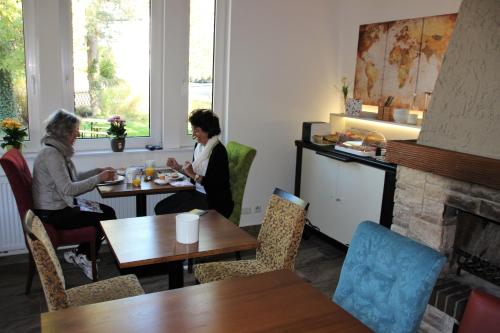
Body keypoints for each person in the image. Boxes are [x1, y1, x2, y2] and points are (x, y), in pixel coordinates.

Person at [32, 109, 117, 279]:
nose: (77, 134)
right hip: (54, 213)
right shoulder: (52, 155)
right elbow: (69, 189)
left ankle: (80, 252)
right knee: (106, 215)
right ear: (65, 132)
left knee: (107, 212)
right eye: (74, 130)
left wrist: (97, 172)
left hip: (61, 206)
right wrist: (99, 178)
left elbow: (73, 178)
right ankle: (84, 256)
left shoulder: (56, 151)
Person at [154, 109, 234, 218]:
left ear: (208, 131)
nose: (194, 134)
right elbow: (193, 172)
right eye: (193, 130)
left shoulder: (218, 151)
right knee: (160, 208)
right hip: (196, 193)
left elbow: (214, 184)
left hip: (212, 201)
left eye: (197, 130)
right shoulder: (199, 146)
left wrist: (192, 174)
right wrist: (178, 168)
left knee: (172, 216)